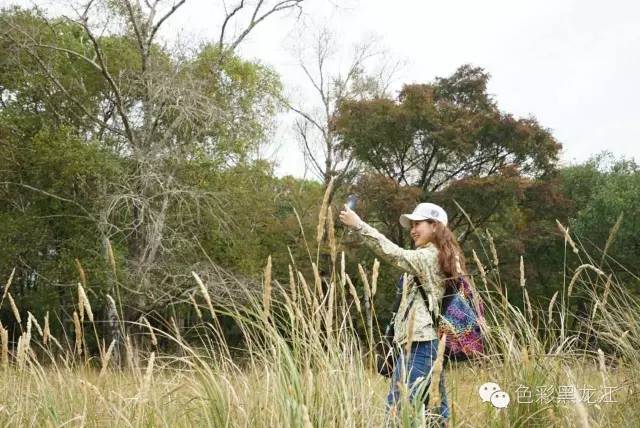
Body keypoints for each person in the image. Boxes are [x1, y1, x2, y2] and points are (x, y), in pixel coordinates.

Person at [339, 201, 467, 426]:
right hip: (422, 345)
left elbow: (395, 254)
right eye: (412, 225)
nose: (412, 230)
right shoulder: (436, 256)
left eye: (418, 224)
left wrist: (359, 225)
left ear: (435, 226)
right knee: (435, 416)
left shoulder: (430, 257)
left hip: (421, 345)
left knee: (397, 413)